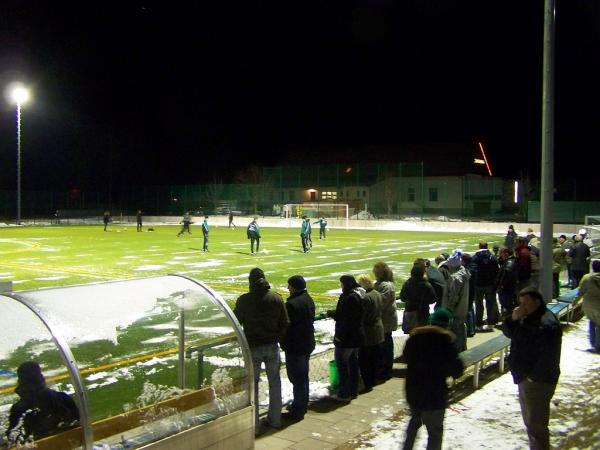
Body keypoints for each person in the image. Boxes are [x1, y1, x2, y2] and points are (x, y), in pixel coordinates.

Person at [502, 287, 562, 450]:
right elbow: (509, 333)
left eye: (526, 303)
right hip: (525, 377)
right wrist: (513, 318)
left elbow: (548, 358)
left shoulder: (546, 324)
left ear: (537, 302)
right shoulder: (526, 317)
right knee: (531, 422)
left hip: (538, 381)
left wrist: (531, 377)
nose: (522, 307)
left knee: (536, 425)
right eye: (520, 303)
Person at [234, 268, 290, 435]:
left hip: (253, 346)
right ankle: (275, 419)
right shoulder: (276, 298)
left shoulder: (244, 300)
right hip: (272, 346)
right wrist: (276, 338)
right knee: (275, 382)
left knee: (253, 386)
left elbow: (237, 321)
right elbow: (285, 322)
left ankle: (255, 425)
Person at [401, 307, 464, 450]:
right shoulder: (445, 343)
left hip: (414, 391)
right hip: (434, 394)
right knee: (434, 432)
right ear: (447, 325)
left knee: (413, 425)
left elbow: (407, 358)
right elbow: (456, 370)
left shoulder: (414, 339)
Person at [6, 361, 79, 444]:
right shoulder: (63, 397)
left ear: (21, 382)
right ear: (41, 378)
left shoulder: (19, 408)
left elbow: (13, 441)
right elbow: (78, 423)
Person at [280, 275, 315, 421]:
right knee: (303, 376)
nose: (288, 288)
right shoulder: (308, 299)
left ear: (293, 286)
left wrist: (283, 342)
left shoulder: (292, 304)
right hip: (306, 342)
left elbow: (287, 326)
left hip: (296, 345)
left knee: (297, 377)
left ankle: (298, 409)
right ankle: (302, 404)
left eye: (289, 286)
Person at [326, 275, 364, 402]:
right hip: (354, 337)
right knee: (353, 363)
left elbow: (346, 319)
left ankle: (344, 393)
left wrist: (340, 337)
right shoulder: (354, 296)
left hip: (346, 338)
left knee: (343, 366)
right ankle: (353, 390)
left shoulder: (349, 297)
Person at [357, 274, 384, 393]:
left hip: (369, 332)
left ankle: (368, 383)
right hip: (378, 328)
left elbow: (363, 316)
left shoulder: (366, 298)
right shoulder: (377, 294)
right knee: (374, 357)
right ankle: (373, 379)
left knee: (366, 359)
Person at [373, 262, 398, 381]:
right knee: (382, 346)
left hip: (386, 321)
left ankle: (386, 370)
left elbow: (380, 302)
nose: (374, 272)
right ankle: (382, 369)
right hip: (382, 321)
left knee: (385, 346)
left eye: (376, 270)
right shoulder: (379, 284)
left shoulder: (386, 286)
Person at [443, 250, 470, 352]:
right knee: (461, 329)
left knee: (455, 332)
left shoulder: (456, 278)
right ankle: (463, 349)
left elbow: (453, 297)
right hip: (462, 308)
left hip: (455, 311)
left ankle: (458, 353)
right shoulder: (464, 273)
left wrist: (448, 310)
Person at [399, 265, 437, 334]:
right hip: (423, 312)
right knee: (423, 334)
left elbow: (402, 298)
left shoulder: (407, 284)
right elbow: (433, 299)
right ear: (422, 274)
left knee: (412, 334)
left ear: (411, 274)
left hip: (410, 312)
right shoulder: (427, 285)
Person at [472, 240, 500, 331]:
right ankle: (490, 323)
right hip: (490, 285)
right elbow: (497, 271)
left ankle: (479, 324)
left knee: (479, 305)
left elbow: (472, 271)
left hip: (478, 285)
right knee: (490, 304)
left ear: (479, 246)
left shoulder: (475, 257)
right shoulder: (492, 257)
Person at [579, 260, 600, 353]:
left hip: (589, 304)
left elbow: (581, 291)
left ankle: (593, 344)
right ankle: (598, 345)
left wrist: (574, 301)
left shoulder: (587, 278)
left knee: (592, 323)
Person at [496, 247, 518, 318]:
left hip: (507, 287)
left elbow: (507, 274)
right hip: (509, 286)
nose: (500, 255)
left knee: (507, 304)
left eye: (501, 253)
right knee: (506, 303)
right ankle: (507, 317)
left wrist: (502, 284)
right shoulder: (509, 260)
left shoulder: (509, 262)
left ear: (506, 253)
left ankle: (508, 318)